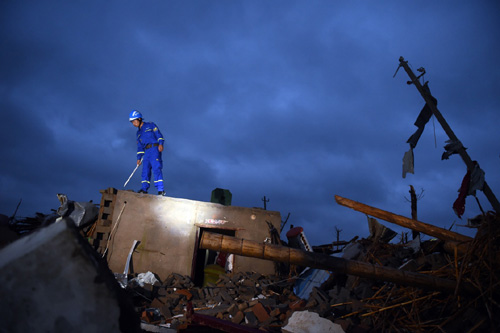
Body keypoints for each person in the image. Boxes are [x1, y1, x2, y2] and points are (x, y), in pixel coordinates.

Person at [129, 110, 166, 196]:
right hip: (147, 152)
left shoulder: (150, 125)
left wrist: (161, 144)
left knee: (156, 168)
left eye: (134, 121)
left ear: (139, 118)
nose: (134, 123)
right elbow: (140, 147)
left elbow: (159, 135)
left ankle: (161, 190)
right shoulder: (138, 133)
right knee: (145, 170)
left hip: (155, 149)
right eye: (132, 122)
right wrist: (138, 158)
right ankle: (144, 189)